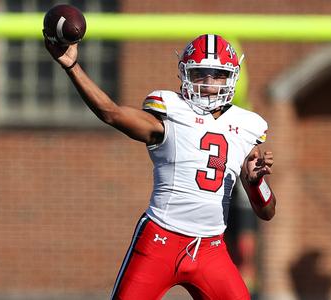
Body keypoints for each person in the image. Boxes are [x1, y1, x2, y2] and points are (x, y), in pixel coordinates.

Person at [44, 33, 277, 299]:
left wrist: (257, 183)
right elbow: (111, 112)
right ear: (185, 75)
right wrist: (72, 67)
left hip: (211, 248)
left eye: (217, 74)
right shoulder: (171, 113)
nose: (209, 83)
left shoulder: (247, 126)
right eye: (201, 74)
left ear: (232, 77)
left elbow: (267, 212)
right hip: (160, 241)